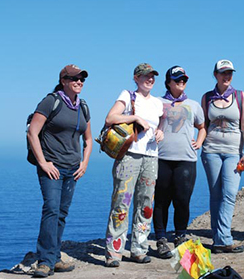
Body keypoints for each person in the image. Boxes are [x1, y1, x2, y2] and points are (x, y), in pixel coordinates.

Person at [27, 64, 93, 278]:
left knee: (61, 214)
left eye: (82, 79)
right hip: (52, 167)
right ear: (64, 80)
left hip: (73, 168)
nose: (79, 82)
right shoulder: (51, 101)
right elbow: (33, 132)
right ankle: (45, 261)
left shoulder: (82, 106)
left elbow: (89, 138)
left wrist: (84, 163)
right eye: (74, 79)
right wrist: (43, 162)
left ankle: (55, 258)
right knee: (51, 209)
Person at [104, 63, 164, 267]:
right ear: (136, 78)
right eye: (146, 76)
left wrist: (160, 132)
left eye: (152, 76)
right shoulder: (128, 95)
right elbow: (110, 118)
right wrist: (135, 116)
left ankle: (139, 249)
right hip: (129, 155)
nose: (150, 79)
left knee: (146, 204)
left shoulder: (157, 103)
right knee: (122, 202)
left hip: (151, 156)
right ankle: (114, 251)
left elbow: (160, 124)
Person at [153, 66, 206, 259]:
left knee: (182, 201)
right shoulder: (158, 102)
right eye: (177, 79)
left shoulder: (193, 104)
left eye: (184, 79)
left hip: (186, 159)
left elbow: (202, 127)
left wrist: (199, 141)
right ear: (168, 82)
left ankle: (180, 236)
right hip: (161, 158)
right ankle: (161, 239)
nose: (181, 82)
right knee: (161, 201)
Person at [201, 59, 244, 253]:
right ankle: (219, 240)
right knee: (216, 195)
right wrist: (198, 143)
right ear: (215, 75)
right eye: (223, 72)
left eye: (230, 72)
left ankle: (223, 239)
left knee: (229, 194)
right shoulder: (207, 97)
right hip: (211, 150)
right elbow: (204, 125)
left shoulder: (240, 96)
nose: (227, 75)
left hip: (233, 152)